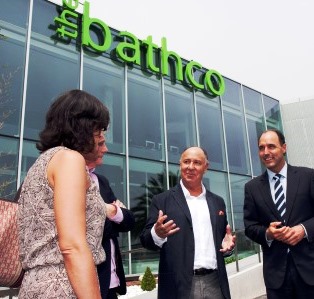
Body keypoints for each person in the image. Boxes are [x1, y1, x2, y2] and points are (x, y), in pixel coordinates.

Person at [17, 89, 113, 298]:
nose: (101, 138)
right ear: (83, 126)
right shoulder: (69, 160)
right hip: (64, 285)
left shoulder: (44, 162)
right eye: (99, 130)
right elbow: (72, 246)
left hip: (38, 284)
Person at [140, 146, 236, 299]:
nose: (190, 167)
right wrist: (157, 233)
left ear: (206, 167)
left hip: (215, 283)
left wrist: (227, 247)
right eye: (186, 162)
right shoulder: (162, 200)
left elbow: (223, 241)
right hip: (179, 286)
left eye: (197, 162)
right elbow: (146, 240)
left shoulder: (217, 202)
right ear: (180, 164)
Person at [243, 129, 314, 298]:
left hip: (309, 271)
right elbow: (250, 227)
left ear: (284, 148)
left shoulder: (308, 176)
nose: (266, 152)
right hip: (276, 277)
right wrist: (268, 233)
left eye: (271, 146)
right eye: (261, 148)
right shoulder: (252, 188)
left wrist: (303, 230)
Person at [86, 147, 135, 298]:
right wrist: (112, 213)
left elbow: (129, 222)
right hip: (89, 284)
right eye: (99, 143)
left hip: (111, 284)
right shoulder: (68, 179)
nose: (105, 149)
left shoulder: (102, 181)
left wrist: (113, 212)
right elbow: (90, 229)